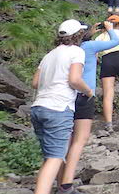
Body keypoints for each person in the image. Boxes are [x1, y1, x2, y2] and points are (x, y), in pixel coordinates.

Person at [56, 20, 119, 194]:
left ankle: (58, 181)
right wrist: (109, 29)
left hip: (67, 96)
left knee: (65, 141)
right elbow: (114, 42)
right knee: (79, 140)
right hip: (85, 94)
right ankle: (66, 185)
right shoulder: (90, 46)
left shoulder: (65, 51)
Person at [30, 20, 92, 194]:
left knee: (50, 157)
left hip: (38, 107)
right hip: (58, 108)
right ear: (78, 35)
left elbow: (35, 82)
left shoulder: (49, 55)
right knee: (56, 157)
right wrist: (88, 91)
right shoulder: (76, 51)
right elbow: (74, 79)